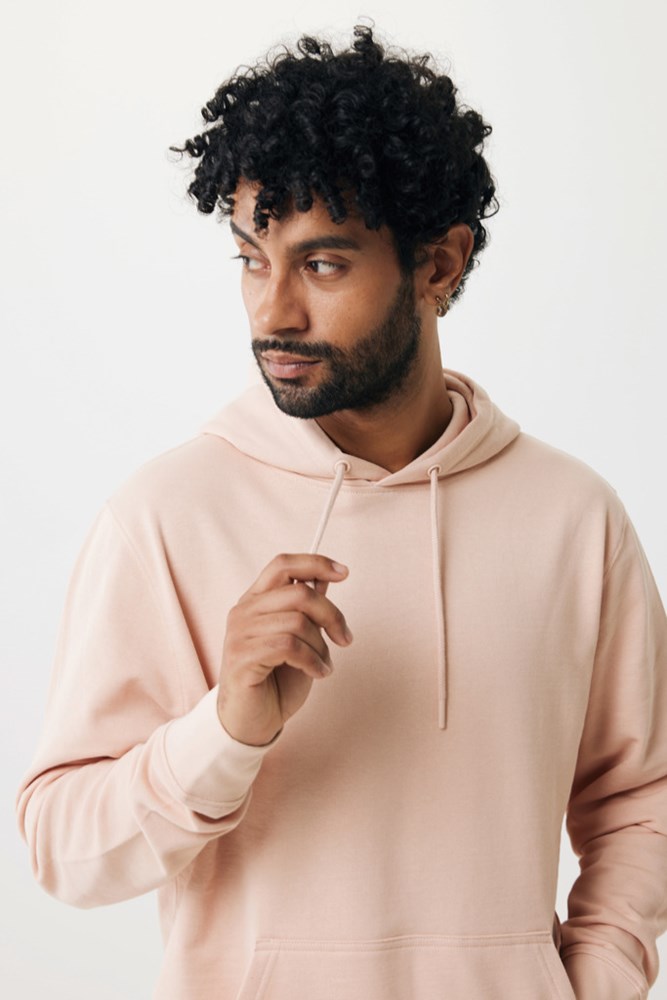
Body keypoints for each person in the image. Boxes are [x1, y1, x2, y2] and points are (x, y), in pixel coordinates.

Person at [17, 24, 667, 1000]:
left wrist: (596, 977)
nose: (272, 312)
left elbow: (639, 800)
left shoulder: (573, 517)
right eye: (251, 258)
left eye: (320, 265)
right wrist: (223, 730)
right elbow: (62, 851)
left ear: (439, 265)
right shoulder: (166, 515)